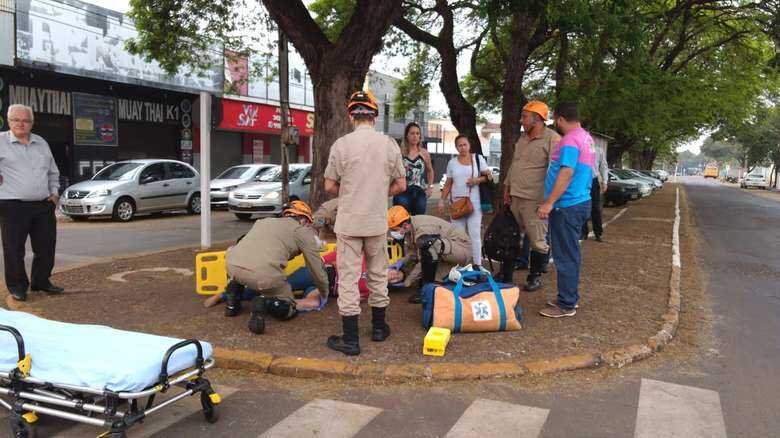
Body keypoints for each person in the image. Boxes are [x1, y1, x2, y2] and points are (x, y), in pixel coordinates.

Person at [323, 90, 406, 356]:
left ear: (351, 115)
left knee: (348, 278)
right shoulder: (389, 145)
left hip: (349, 222)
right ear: (375, 115)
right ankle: (379, 329)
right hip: (376, 222)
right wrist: (379, 193)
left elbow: (329, 186)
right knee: (378, 273)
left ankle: (350, 339)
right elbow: (401, 184)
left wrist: (350, 193)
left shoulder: (341, 145)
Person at [223, 201, 332, 334]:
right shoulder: (301, 231)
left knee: (237, 258)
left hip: (232, 266)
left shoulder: (264, 221)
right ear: (303, 220)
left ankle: (232, 303)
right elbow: (315, 267)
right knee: (289, 309)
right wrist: (324, 291)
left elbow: (241, 242)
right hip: (264, 276)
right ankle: (265, 303)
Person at [537, 102, 596, 318]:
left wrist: (549, 202)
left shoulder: (570, 140)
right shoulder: (586, 138)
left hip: (567, 205)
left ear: (560, 118)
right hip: (580, 201)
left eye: (555, 120)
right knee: (570, 253)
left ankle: (567, 304)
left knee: (565, 255)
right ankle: (568, 296)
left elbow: (566, 172)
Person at [0, 104, 62, 301]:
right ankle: (17, 286)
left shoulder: (41, 142)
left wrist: (54, 193)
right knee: (14, 249)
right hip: (12, 205)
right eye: (16, 119)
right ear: (9, 121)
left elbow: (53, 171)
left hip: (43, 205)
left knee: (46, 247)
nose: (20, 124)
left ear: (32, 123)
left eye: (25, 120)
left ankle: (41, 282)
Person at [502, 100, 560, 288]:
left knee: (537, 241)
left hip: (535, 199)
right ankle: (506, 274)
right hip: (515, 197)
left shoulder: (552, 139)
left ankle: (534, 277)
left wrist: (549, 201)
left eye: (524, 117)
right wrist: (506, 187)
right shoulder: (522, 139)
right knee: (510, 237)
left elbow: (558, 170)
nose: (521, 120)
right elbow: (514, 164)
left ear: (537, 119)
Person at [387, 206, 473, 303]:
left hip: (462, 248)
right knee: (430, 270)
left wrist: (407, 282)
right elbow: (413, 253)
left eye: (395, 230)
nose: (393, 233)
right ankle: (434, 283)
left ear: (405, 225)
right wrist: (400, 262)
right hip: (449, 248)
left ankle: (427, 290)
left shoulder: (422, 230)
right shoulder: (411, 227)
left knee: (428, 248)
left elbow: (424, 258)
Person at [438, 135, 492, 267]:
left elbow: (488, 177)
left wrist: (477, 180)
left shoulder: (477, 159)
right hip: (456, 204)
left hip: (474, 202)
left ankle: (477, 264)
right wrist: (441, 200)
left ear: (469, 145)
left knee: (475, 234)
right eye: (459, 145)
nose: (462, 148)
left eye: (464, 144)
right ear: (456, 147)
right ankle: (460, 264)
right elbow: (448, 183)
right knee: (458, 236)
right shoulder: (452, 163)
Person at [393, 122, 435, 215]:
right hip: (402, 192)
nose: (415, 136)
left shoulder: (424, 153)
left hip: (420, 193)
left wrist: (430, 187)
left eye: (417, 133)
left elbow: (430, 171)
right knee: (401, 223)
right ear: (406, 135)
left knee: (418, 224)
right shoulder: (399, 153)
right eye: (412, 133)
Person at [582, 143, 608, 242]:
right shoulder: (578, 148)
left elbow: (603, 166)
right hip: (581, 180)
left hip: (593, 180)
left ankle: (598, 233)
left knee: (596, 208)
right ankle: (583, 232)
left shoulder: (598, 150)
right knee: (582, 206)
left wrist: (605, 181)